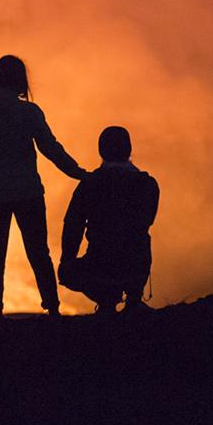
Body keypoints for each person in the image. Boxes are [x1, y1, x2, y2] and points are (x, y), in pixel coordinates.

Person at [0, 54, 90, 317]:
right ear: (21, 81)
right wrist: (77, 172)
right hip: (28, 192)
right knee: (38, 252)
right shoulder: (29, 112)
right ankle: (52, 307)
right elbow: (50, 148)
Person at [58, 125, 160, 315]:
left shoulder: (89, 185)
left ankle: (106, 300)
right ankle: (134, 298)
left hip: (99, 261)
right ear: (129, 149)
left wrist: (67, 260)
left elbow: (73, 225)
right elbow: (147, 221)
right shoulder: (147, 184)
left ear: (101, 150)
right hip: (134, 261)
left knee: (68, 273)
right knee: (141, 241)